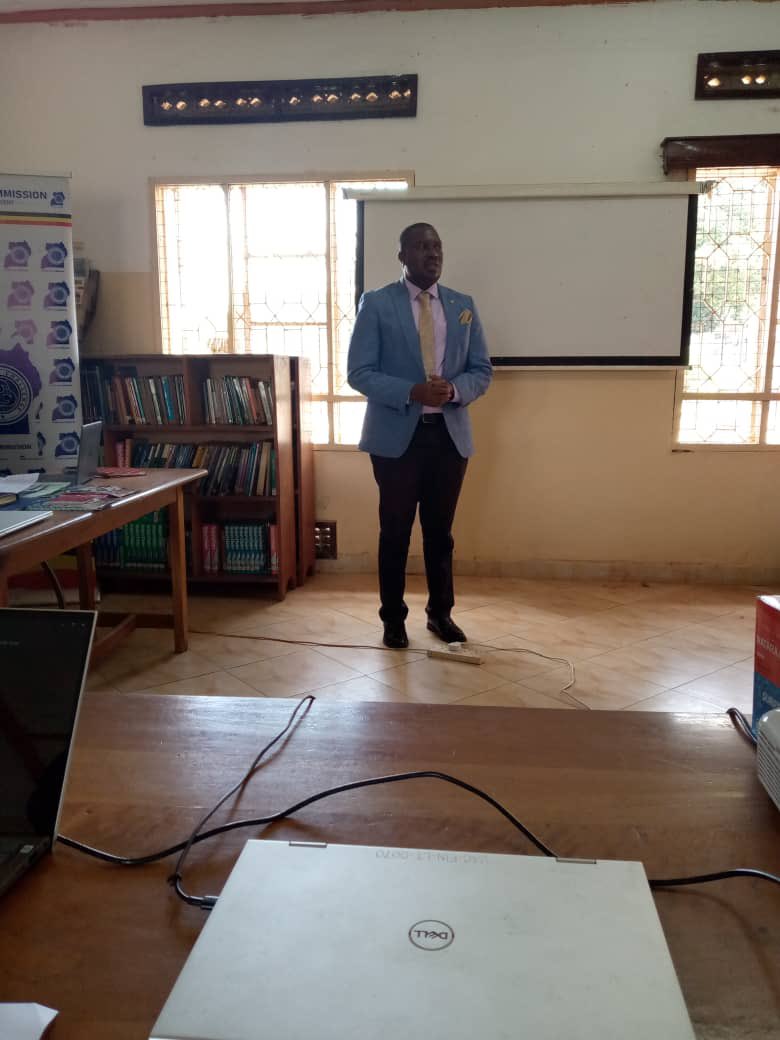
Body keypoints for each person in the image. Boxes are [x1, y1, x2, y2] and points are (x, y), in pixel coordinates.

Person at [347, 222, 492, 649]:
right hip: (396, 439)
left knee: (440, 533)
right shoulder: (377, 304)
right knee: (394, 531)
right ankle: (393, 619)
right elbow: (360, 372)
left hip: (448, 438)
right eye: (422, 246)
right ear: (402, 256)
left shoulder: (462, 305)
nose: (433, 253)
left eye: (437, 246)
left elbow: (481, 369)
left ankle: (440, 614)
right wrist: (411, 391)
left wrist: (455, 390)